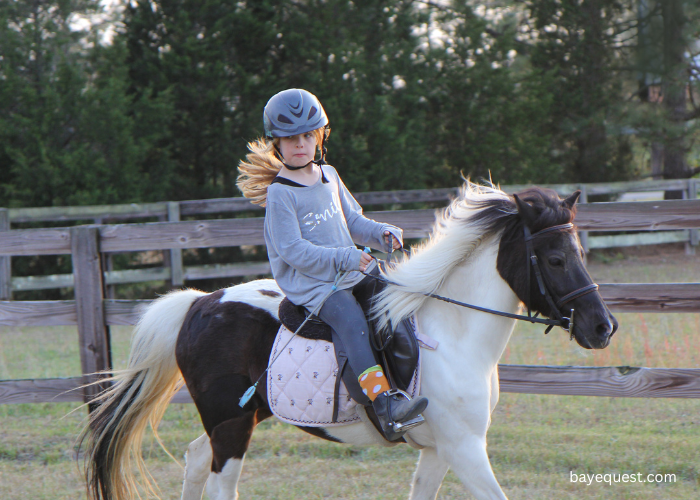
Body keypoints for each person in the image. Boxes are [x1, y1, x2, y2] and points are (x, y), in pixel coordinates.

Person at [237, 88, 427, 439]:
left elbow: (354, 222)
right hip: (316, 285)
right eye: (290, 138)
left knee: (392, 299)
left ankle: (407, 384)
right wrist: (346, 256)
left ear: (319, 137)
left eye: (307, 135)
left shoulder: (329, 175)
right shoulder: (282, 193)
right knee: (353, 323)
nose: (300, 144)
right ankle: (384, 404)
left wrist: (382, 233)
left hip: (350, 271)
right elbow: (294, 251)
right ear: (276, 143)